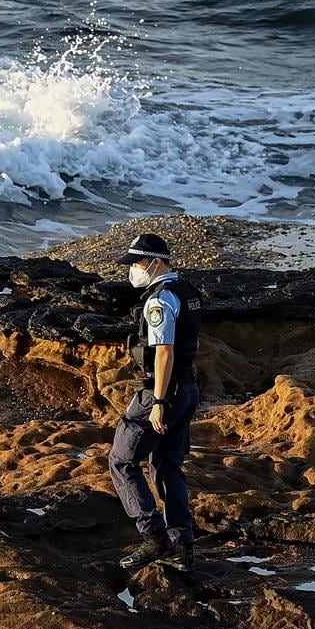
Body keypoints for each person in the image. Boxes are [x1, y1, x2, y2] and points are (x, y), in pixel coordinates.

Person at [108, 233, 202, 571]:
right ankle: (183, 546)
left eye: (135, 263)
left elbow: (164, 352)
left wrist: (159, 401)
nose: (133, 270)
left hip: (163, 393)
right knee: (166, 465)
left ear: (155, 262)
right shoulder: (188, 292)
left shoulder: (159, 300)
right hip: (189, 390)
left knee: (121, 460)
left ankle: (153, 537)